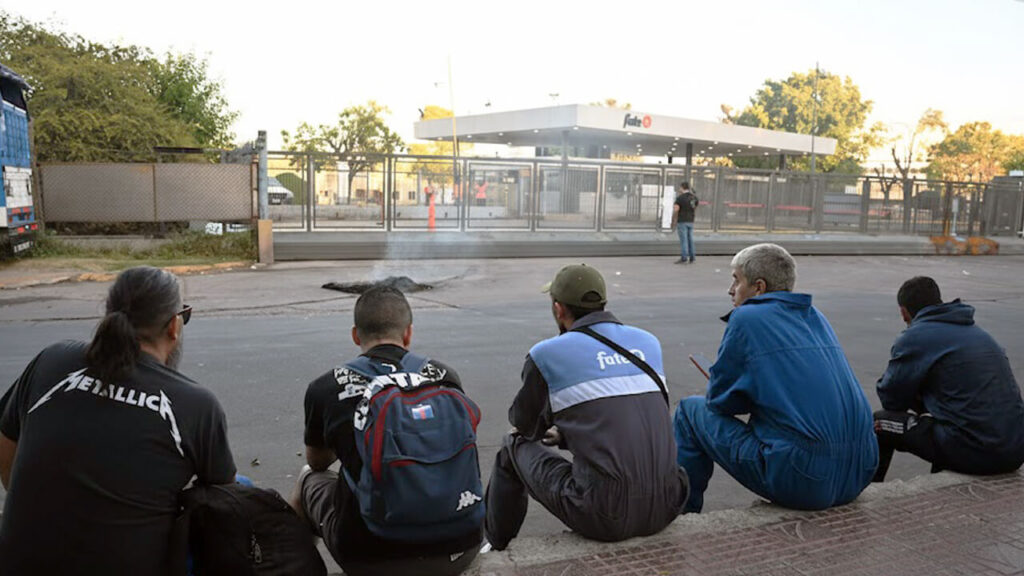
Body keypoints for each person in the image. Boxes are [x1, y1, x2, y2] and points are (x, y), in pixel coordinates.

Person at [0, 266, 237, 574]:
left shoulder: (52, 360)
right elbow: (227, 501)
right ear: (174, 327)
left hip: (18, 563)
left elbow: (6, 449)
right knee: (239, 488)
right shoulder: (195, 404)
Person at [484, 264, 688, 551]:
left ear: (558, 309)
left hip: (605, 515)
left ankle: (497, 545)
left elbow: (525, 424)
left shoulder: (547, 354)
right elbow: (634, 421)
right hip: (669, 504)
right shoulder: (648, 342)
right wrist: (567, 435)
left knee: (512, 444)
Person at [291, 285, 481, 576]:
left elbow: (318, 462)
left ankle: (297, 569)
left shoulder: (325, 388)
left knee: (308, 478)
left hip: (372, 558)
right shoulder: (445, 377)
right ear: (408, 333)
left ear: (356, 335)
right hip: (460, 548)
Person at [673, 243, 877, 513]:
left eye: (736, 280)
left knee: (689, 412)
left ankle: (682, 514)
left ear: (758, 287)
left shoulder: (746, 318)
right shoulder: (816, 317)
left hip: (803, 476)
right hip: (860, 469)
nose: (730, 290)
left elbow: (720, 403)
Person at [873, 276, 1024, 481]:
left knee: (879, 422)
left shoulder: (915, 337)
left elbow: (891, 399)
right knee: (948, 416)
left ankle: (870, 493)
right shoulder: (979, 333)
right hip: (1015, 450)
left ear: (904, 312)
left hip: (978, 453)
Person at [672, 182, 698, 264]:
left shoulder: (680, 198)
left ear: (682, 187)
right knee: (690, 239)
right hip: (690, 220)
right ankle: (692, 257)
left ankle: (684, 257)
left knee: (684, 240)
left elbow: (676, 209)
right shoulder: (693, 198)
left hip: (682, 220)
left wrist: (673, 220)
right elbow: (695, 207)